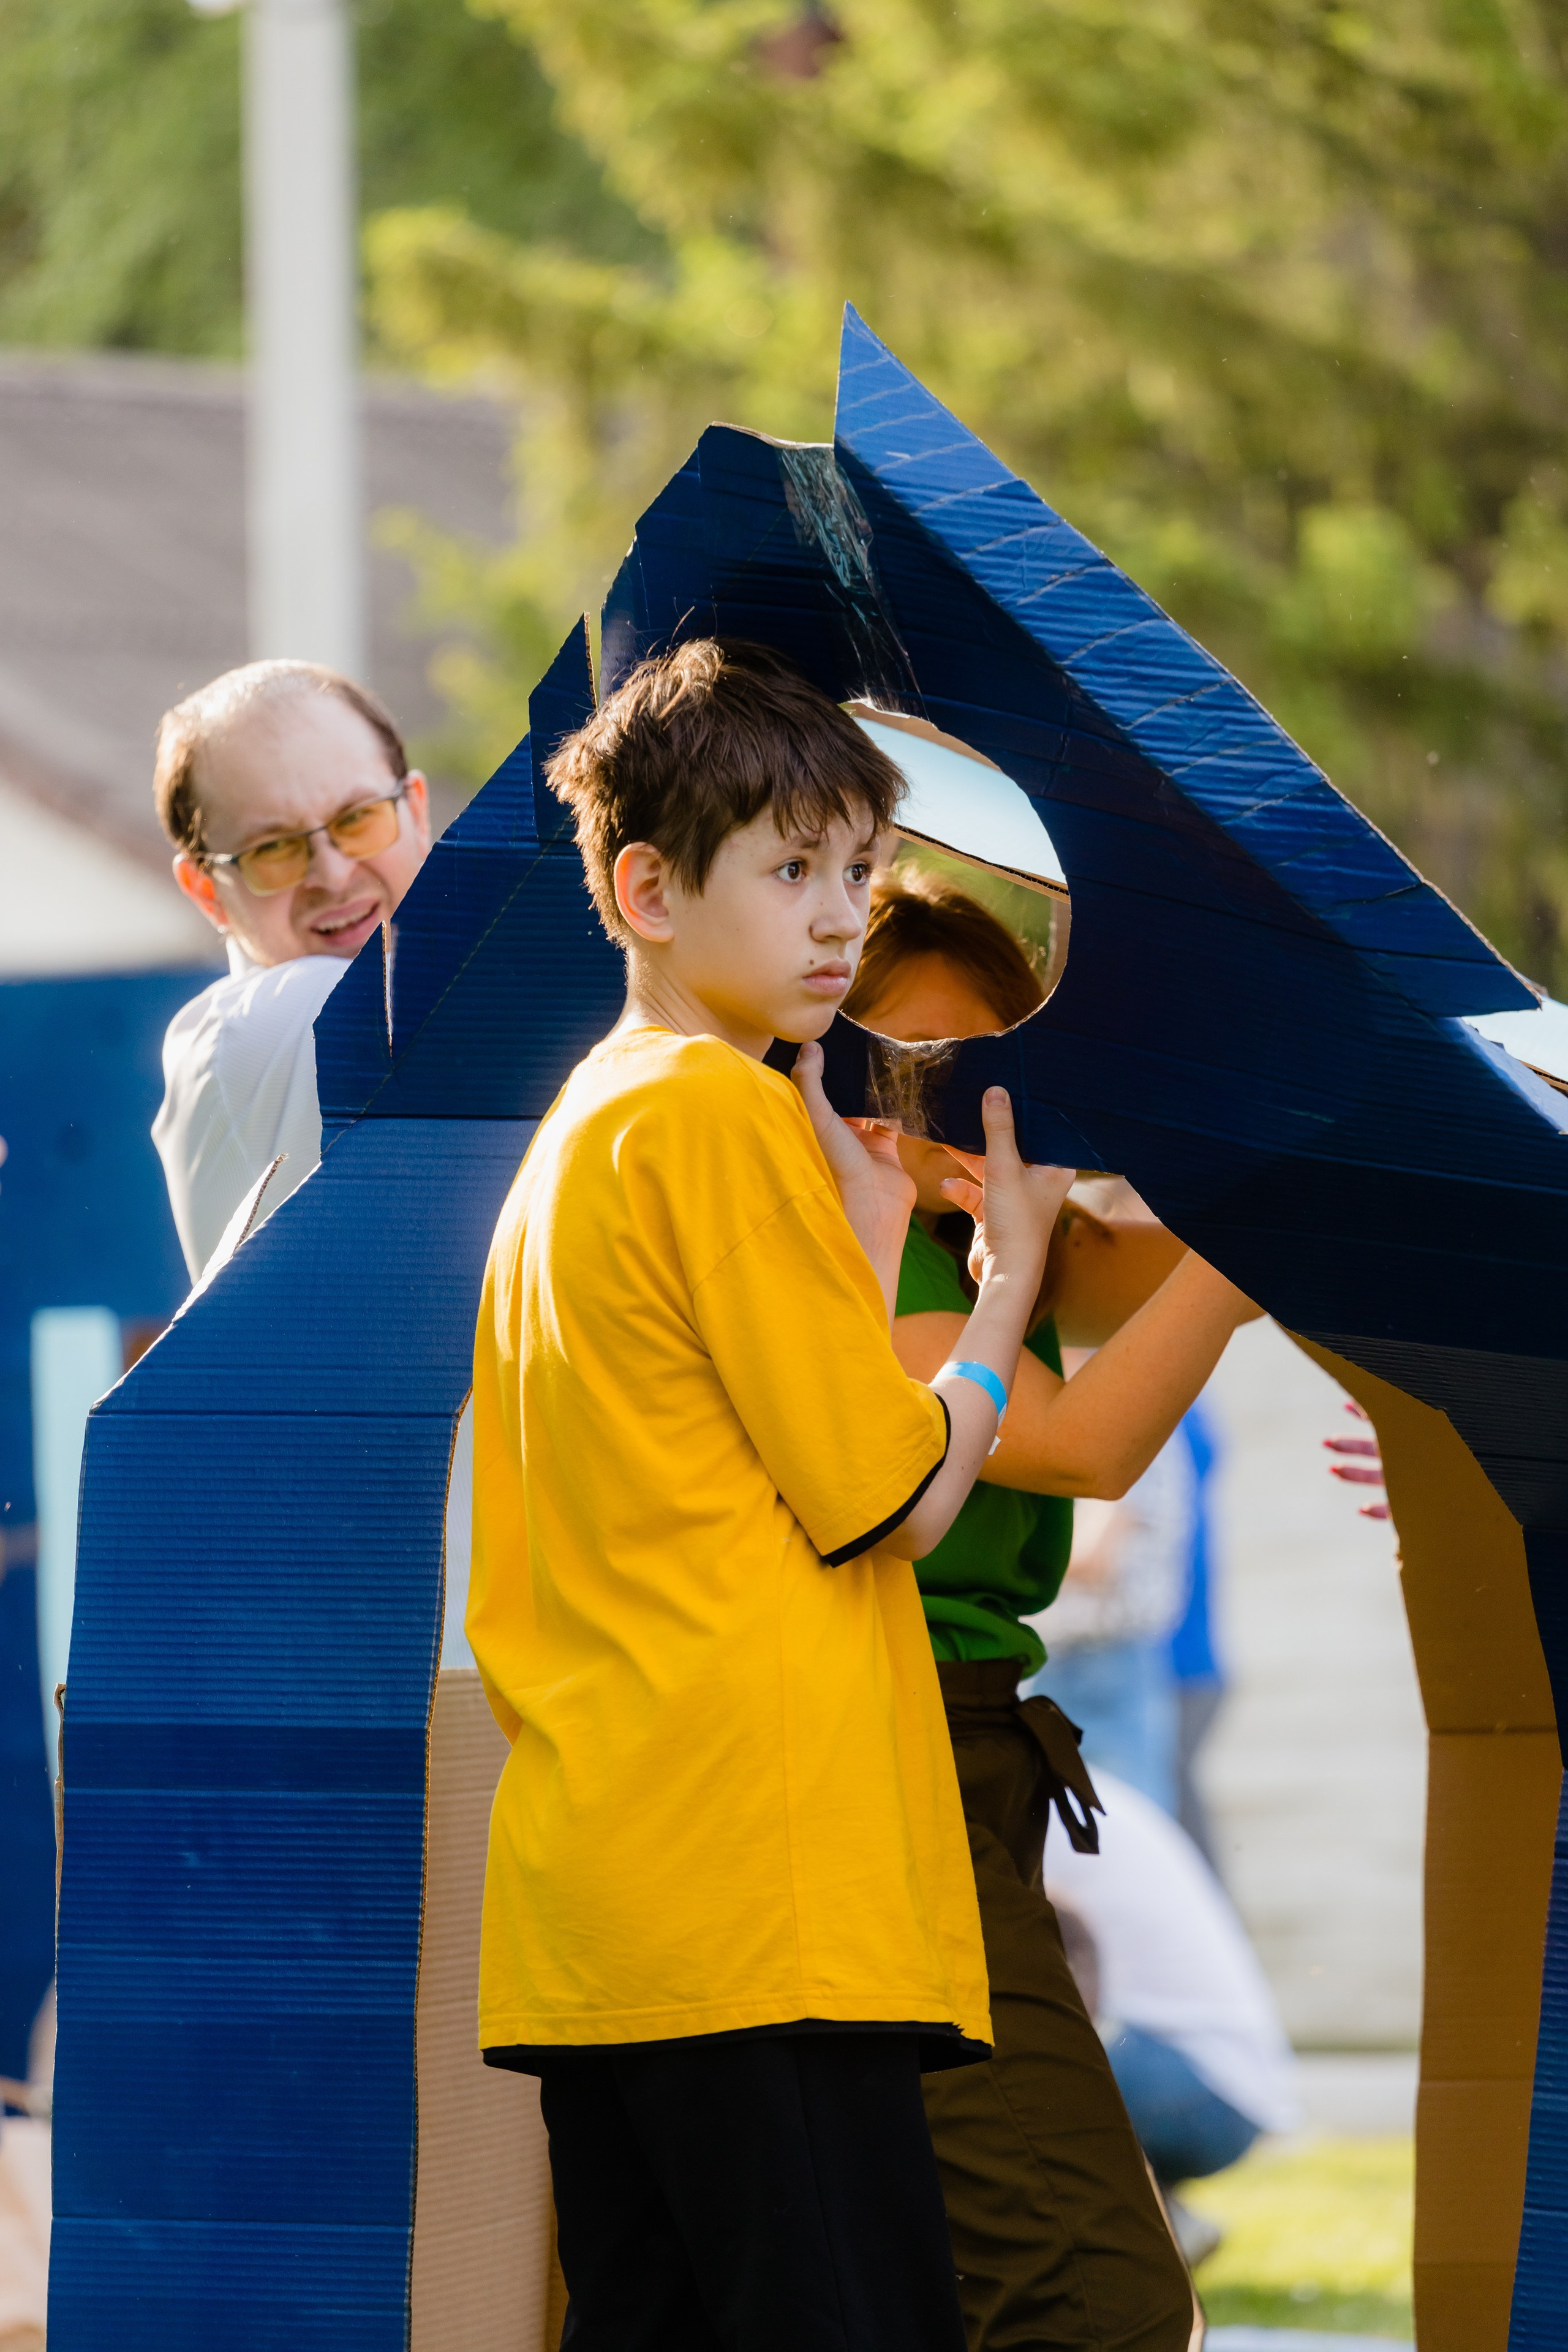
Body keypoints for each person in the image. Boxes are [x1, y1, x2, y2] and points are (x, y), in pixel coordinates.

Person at [466, 639, 1076, 2352]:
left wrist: (869, 1252)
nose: (840, 920)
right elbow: (891, 1502)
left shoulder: (587, 1123)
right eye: (791, 869)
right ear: (646, 887)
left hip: (619, 1905)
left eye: (861, 872)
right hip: (756, 1902)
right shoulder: (713, 1118)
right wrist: (1004, 1293)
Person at [844, 869, 1263, 2352]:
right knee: (1099, 2297)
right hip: (890, 1778)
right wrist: (1245, 1234)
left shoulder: (988, 1239)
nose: (956, 1122)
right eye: (905, 1077)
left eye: (990, 1078)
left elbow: (1217, 1271)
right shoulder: (880, 1264)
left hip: (976, 1775)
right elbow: (1086, 1442)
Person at [149, 660, 432, 1280]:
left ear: (415, 811)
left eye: (357, 818)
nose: (331, 875)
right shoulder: (258, 1029)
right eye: (274, 849)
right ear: (206, 892)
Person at [1044, 1770, 1301, 2261]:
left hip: (1195, 2085)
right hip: (1218, 2078)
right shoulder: (1057, 1774)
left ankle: (1139, 2232)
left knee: (964, 2064)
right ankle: (1152, 2222)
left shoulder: (1002, 1795)